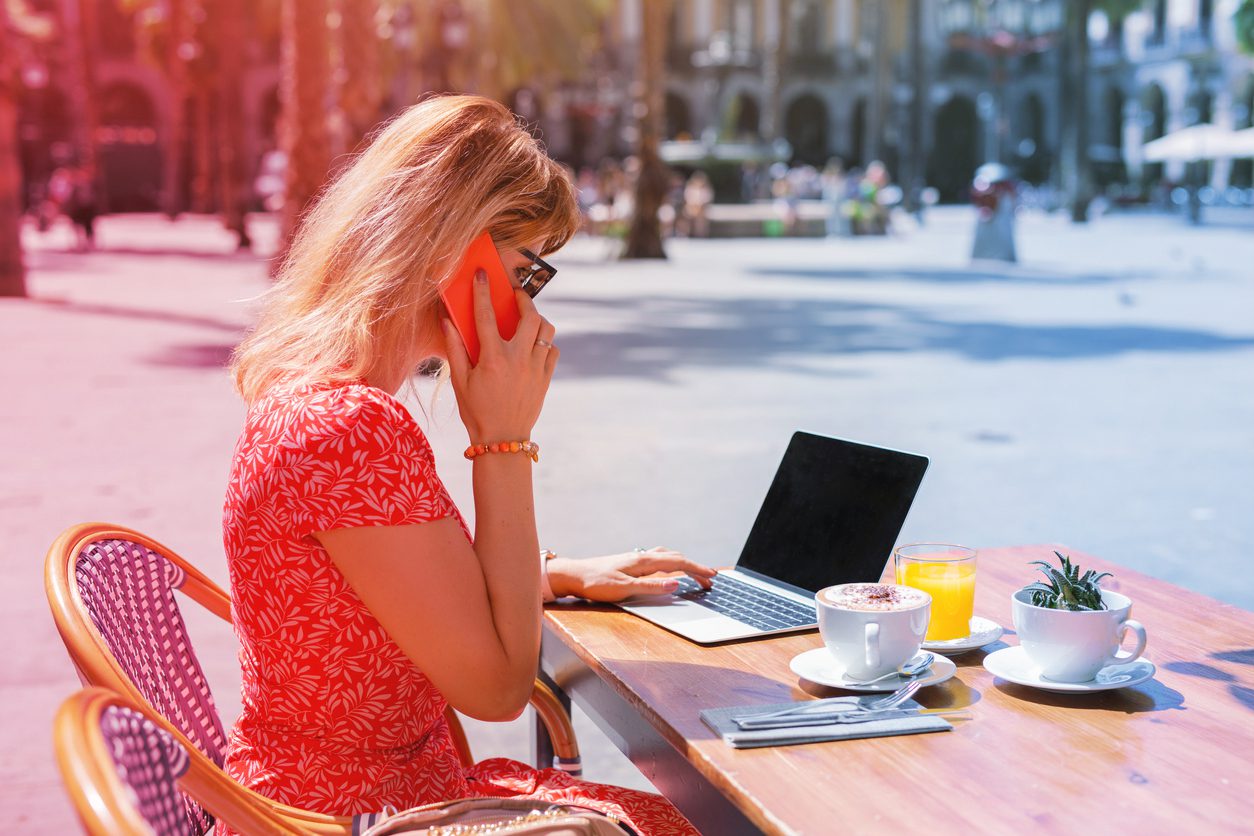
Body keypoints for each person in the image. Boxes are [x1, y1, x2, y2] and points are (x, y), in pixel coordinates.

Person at [221, 95, 714, 835]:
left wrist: (553, 572)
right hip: (358, 818)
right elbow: (497, 688)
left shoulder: (319, 394)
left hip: (329, 801)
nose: (529, 304)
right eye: (526, 269)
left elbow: (375, 591)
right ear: (451, 248)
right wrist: (503, 440)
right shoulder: (351, 426)